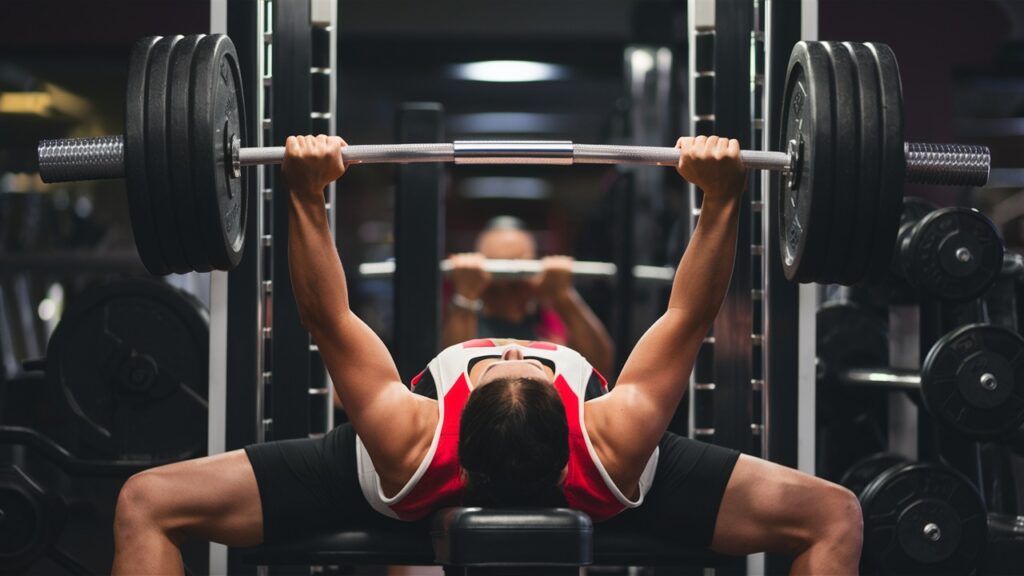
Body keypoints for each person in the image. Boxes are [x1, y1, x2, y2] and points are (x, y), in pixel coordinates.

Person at [111, 135, 863, 575]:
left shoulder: (408, 436)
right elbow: (690, 313)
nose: (518, 352)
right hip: (627, 483)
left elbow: (326, 314)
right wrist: (724, 192)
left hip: (374, 483)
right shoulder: (615, 438)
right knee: (834, 515)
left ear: (455, 421)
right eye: (530, 362)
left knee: (149, 502)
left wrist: (305, 190)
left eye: (501, 362)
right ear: (573, 417)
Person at [442, 216, 615, 375]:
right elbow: (452, 376)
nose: (505, 285)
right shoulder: (464, 323)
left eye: (516, 277)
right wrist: (466, 294)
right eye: (498, 275)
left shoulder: (550, 325)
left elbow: (599, 368)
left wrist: (562, 296)